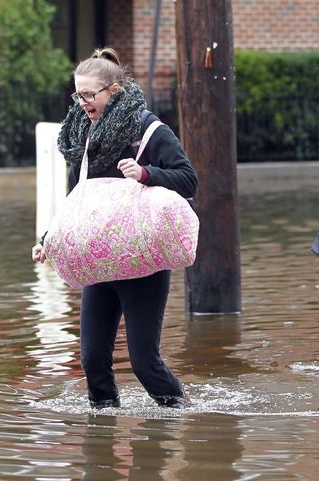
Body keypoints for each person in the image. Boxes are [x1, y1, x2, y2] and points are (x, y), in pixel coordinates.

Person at [32, 47, 198, 408]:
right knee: (92, 360)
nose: (83, 103)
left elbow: (189, 180)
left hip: (143, 261)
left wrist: (146, 174)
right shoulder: (85, 136)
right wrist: (49, 238)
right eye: (78, 94)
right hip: (100, 261)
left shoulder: (149, 129)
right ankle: (102, 436)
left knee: (143, 362)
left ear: (115, 91)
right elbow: (76, 198)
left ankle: (181, 418)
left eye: (90, 95)